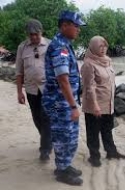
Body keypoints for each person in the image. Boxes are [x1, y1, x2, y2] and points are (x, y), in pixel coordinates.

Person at [41, 10, 85, 186]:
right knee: (63, 136)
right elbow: (63, 79)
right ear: (65, 25)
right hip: (60, 102)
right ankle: (61, 171)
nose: (78, 29)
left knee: (70, 135)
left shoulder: (65, 44)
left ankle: (65, 165)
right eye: (76, 26)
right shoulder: (59, 47)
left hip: (64, 100)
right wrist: (73, 106)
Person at [81, 36, 125, 167]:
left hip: (108, 103)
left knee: (107, 129)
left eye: (105, 46)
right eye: (100, 46)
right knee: (93, 132)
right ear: (93, 47)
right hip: (94, 105)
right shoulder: (88, 64)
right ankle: (94, 157)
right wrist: (95, 105)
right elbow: (89, 87)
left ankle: (111, 152)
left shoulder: (107, 61)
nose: (103, 49)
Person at [15, 19, 52, 161]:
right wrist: (19, 92)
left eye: (36, 34)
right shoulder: (22, 47)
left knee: (46, 117)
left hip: (47, 88)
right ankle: (47, 140)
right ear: (27, 35)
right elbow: (19, 71)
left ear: (41, 32)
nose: (34, 37)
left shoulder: (49, 45)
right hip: (31, 89)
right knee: (37, 118)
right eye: (31, 35)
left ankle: (45, 150)